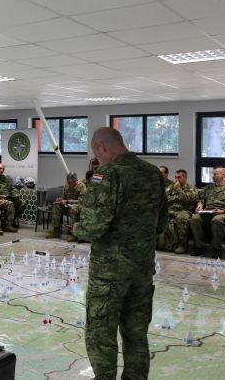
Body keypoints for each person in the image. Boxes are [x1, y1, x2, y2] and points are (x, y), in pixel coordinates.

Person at [74, 127, 167, 380]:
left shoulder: (106, 174)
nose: (98, 160)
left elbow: (93, 227)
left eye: (97, 155)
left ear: (102, 147)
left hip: (109, 273)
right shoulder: (153, 173)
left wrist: (78, 227)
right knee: (136, 334)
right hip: (142, 270)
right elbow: (161, 224)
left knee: (101, 334)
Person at [188, 167, 225, 258]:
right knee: (194, 218)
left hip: (223, 213)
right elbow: (201, 200)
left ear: (223, 175)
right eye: (212, 174)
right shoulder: (207, 188)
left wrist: (223, 211)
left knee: (217, 220)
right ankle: (199, 246)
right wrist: (200, 206)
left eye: (215, 174)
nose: (213, 176)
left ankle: (217, 249)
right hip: (207, 212)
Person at [161, 169, 197, 254]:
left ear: (185, 178)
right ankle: (164, 244)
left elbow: (188, 199)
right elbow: (164, 199)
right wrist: (177, 198)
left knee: (182, 218)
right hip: (170, 210)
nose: (176, 179)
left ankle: (182, 245)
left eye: (179, 177)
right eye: (175, 177)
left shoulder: (191, 188)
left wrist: (179, 190)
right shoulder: (171, 187)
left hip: (184, 211)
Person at [46, 172, 87, 242]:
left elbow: (81, 201)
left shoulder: (81, 186)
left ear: (75, 180)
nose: (69, 184)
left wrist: (68, 201)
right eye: (68, 182)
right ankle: (56, 231)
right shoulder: (66, 186)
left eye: (71, 182)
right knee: (56, 206)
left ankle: (73, 234)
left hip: (78, 207)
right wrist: (60, 200)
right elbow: (64, 198)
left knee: (73, 208)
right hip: (67, 206)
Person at [0, 163, 23, 228]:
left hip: (8, 197)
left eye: (3, 169)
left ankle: (11, 219)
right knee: (11, 204)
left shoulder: (5, 178)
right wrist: (0, 196)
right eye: (0, 168)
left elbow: (11, 188)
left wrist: (15, 194)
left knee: (22, 203)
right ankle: (8, 224)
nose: (2, 170)